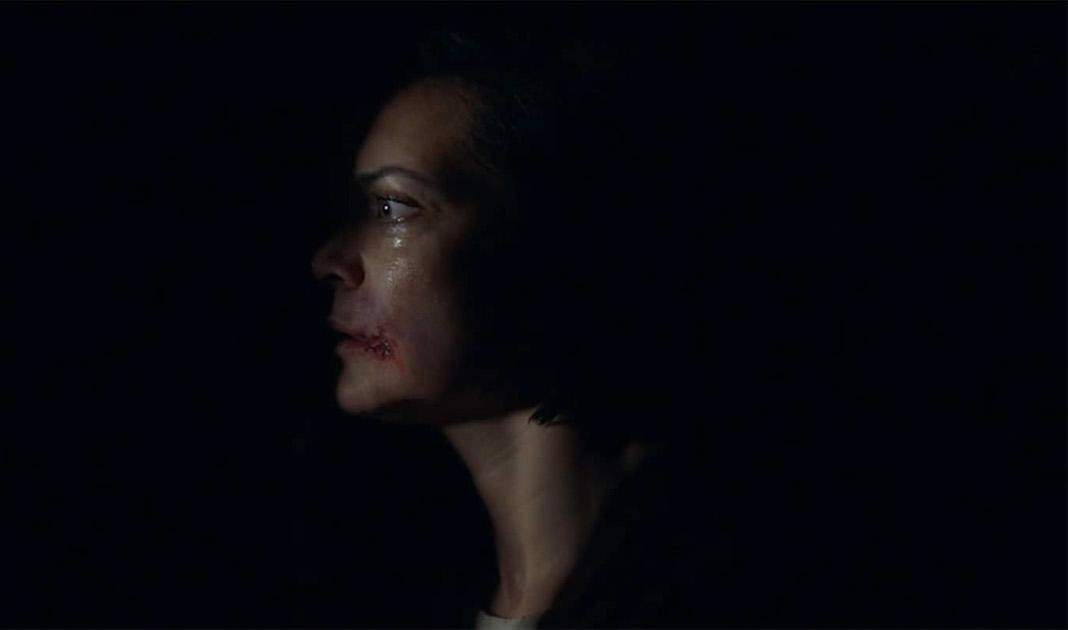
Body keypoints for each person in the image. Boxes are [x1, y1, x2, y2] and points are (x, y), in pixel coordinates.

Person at [310, 30, 827, 628]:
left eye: (394, 207)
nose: (329, 260)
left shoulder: (752, 585)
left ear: (551, 242)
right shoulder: (388, 589)